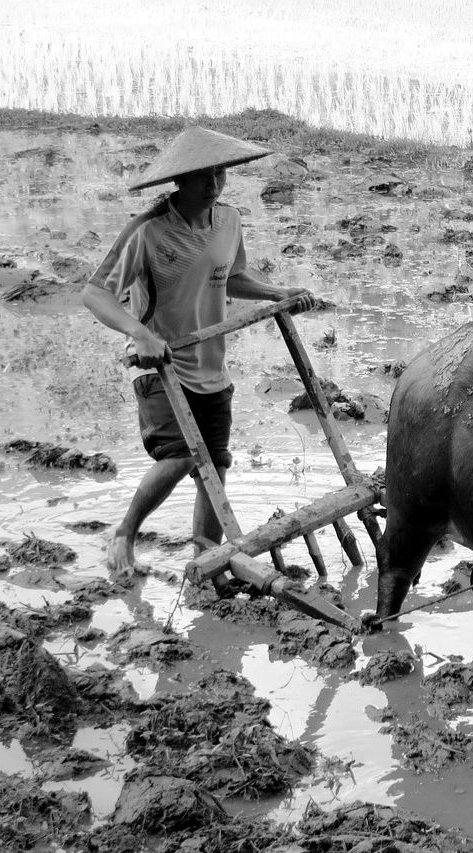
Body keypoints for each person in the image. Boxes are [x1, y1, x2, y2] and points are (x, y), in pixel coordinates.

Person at [81, 126, 314, 577]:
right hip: (160, 365)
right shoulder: (147, 231)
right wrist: (140, 334)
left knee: (215, 466)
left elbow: (231, 278)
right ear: (180, 181)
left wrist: (276, 292)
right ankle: (125, 533)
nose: (214, 185)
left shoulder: (229, 221)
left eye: (220, 174)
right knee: (184, 454)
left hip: (211, 363)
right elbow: (95, 293)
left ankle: (206, 561)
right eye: (203, 177)